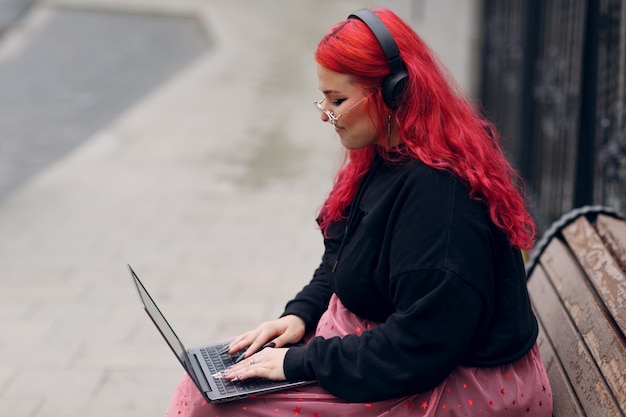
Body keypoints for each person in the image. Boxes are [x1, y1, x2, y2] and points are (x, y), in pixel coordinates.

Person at [166, 7, 553, 417]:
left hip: (460, 381)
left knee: (212, 403)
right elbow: (342, 255)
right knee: (205, 383)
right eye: (324, 98)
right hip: (392, 353)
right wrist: (301, 313)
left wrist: (298, 362)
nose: (325, 114)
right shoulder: (386, 152)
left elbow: (420, 345)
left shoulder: (439, 199)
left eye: (337, 100)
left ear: (394, 93)